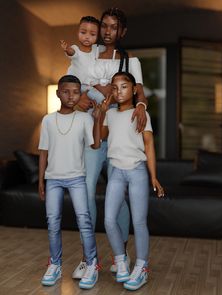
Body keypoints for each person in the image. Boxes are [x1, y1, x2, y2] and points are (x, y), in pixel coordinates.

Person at [71, 7, 149, 278]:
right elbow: (73, 86)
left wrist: (140, 104)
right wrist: (81, 98)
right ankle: (88, 257)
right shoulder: (87, 54)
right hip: (92, 131)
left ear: (122, 32)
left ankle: (122, 254)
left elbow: (140, 93)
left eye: (113, 27)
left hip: (118, 135)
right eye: (104, 25)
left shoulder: (131, 61)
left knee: (121, 195)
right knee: (88, 189)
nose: (106, 31)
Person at [94, 71, 164, 290]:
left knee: (139, 221)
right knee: (108, 220)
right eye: (114, 88)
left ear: (134, 90)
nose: (118, 91)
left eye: (124, 86)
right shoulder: (111, 114)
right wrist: (100, 115)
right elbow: (98, 141)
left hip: (136, 172)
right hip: (116, 172)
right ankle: (121, 260)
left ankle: (142, 267)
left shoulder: (141, 113)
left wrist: (154, 176)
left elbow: (150, 146)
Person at [38, 75, 101, 289]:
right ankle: (54, 265)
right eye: (66, 91)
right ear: (58, 93)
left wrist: (98, 118)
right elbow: (43, 152)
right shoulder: (47, 120)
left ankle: (92, 264)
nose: (71, 96)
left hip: (76, 178)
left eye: (76, 92)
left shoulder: (85, 119)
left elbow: (94, 146)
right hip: (53, 179)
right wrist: (41, 181)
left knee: (84, 220)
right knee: (52, 222)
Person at [60, 16, 104, 105]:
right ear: (78, 33)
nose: (87, 37)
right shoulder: (76, 49)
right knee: (98, 99)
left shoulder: (97, 49)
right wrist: (67, 49)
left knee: (101, 98)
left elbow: (108, 50)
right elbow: (72, 53)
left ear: (97, 36)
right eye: (83, 32)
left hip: (90, 86)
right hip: (75, 85)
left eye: (92, 34)